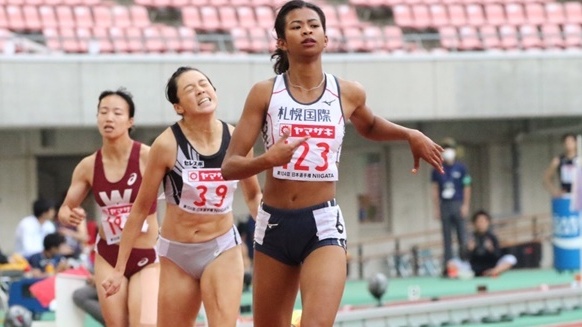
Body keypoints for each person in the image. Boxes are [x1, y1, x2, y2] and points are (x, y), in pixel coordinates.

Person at [220, 1, 444, 325]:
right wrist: (269, 159)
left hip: (322, 223)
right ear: (281, 41)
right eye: (296, 26)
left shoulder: (347, 92)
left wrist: (409, 134)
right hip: (275, 225)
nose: (307, 30)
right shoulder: (265, 94)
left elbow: (368, 125)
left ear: (326, 38)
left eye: (314, 25)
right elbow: (230, 166)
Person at [101, 67, 262, 327]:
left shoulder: (236, 138)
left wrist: (274, 240)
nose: (200, 90)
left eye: (203, 84)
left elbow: (254, 195)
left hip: (221, 248)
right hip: (178, 254)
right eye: (190, 89)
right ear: (178, 107)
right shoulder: (166, 145)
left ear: (214, 91)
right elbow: (141, 209)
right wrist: (119, 270)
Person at [58, 88, 160, 327]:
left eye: (117, 112)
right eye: (103, 112)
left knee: (144, 323)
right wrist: (68, 215)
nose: (109, 118)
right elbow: (65, 208)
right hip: (109, 255)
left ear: (130, 121)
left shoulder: (148, 157)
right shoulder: (88, 166)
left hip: (145, 254)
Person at [431, 137, 471, 276]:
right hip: (445, 204)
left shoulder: (462, 168)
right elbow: (435, 189)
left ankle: (465, 263)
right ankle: (449, 267)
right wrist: (436, 208)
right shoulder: (437, 168)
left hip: (458, 203)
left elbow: (466, 187)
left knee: (462, 236)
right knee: (447, 238)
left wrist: (465, 205)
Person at [448, 210, 517, 277]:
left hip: (491, 265)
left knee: (511, 258)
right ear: (474, 223)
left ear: (488, 222)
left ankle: (494, 271)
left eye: (483, 221)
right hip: (473, 267)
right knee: (451, 263)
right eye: (478, 221)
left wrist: (492, 250)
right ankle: (462, 274)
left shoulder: (492, 237)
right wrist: (469, 249)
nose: (481, 224)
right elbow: (463, 257)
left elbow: (498, 255)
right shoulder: (470, 237)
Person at [543, 133, 578, 198]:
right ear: (563, 144)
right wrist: (554, 191)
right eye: (567, 142)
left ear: (576, 143)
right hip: (565, 195)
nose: (569, 144)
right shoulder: (558, 160)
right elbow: (546, 178)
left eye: (571, 141)